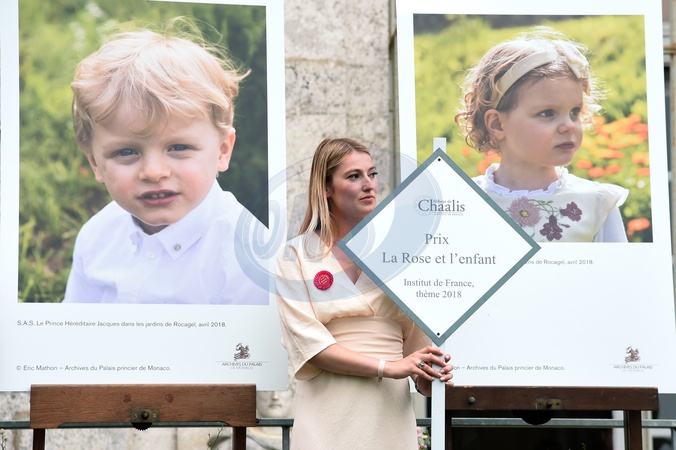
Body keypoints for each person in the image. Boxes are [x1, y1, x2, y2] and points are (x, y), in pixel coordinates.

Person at [63, 19, 268, 304]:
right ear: (95, 163)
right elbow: (75, 323)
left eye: (179, 147)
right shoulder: (96, 237)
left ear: (222, 151)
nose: (153, 172)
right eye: (126, 152)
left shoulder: (247, 259)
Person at [275, 138, 453, 449]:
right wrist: (389, 367)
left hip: (389, 412)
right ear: (326, 188)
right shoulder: (296, 254)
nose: (369, 184)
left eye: (373, 173)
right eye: (354, 176)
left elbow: (417, 351)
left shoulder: (401, 253)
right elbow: (309, 345)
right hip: (327, 410)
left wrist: (431, 377)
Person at [455, 27, 629, 242]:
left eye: (574, 111)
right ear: (497, 124)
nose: (569, 126)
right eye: (548, 113)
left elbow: (617, 265)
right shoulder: (464, 202)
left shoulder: (596, 204)